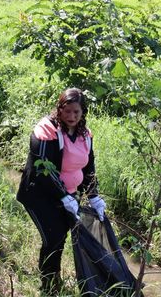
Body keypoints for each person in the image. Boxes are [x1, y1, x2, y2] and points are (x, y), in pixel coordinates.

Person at [16, 88, 107, 295]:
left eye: (77, 112)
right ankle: (48, 285)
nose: (72, 116)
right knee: (53, 237)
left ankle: (54, 278)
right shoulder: (46, 131)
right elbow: (43, 169)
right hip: (39, 194)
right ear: (60, 109)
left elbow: (88, 167)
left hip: (68, 194)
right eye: (67, 111)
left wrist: (94, 196)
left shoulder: (85, 135)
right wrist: (64, 196)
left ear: (83, 112)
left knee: (62, 236)